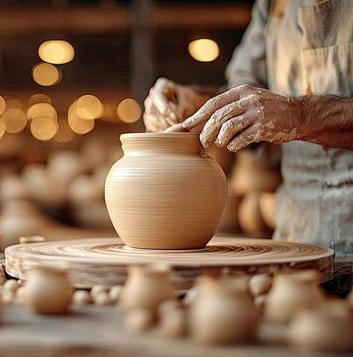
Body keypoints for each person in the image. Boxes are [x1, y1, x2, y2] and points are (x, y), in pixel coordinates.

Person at [142, 0, 353, 259]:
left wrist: (299, 116)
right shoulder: (272, 4)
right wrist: (194, 104)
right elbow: (248, 103)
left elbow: (278, 113)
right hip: (296, 236)